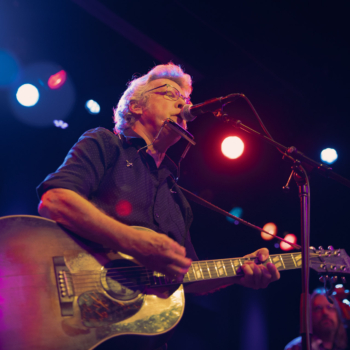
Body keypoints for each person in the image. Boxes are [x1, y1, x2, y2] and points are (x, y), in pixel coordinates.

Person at [37, 63, 280, 347]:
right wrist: (133, 242)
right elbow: (55, 200)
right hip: (75, 319)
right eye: (169, 94)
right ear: (137, 106)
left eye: (185, 100)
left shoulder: (177, 198)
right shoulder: (104, 143)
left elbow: (186, 275)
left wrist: (239, 272)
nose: (182, 103)